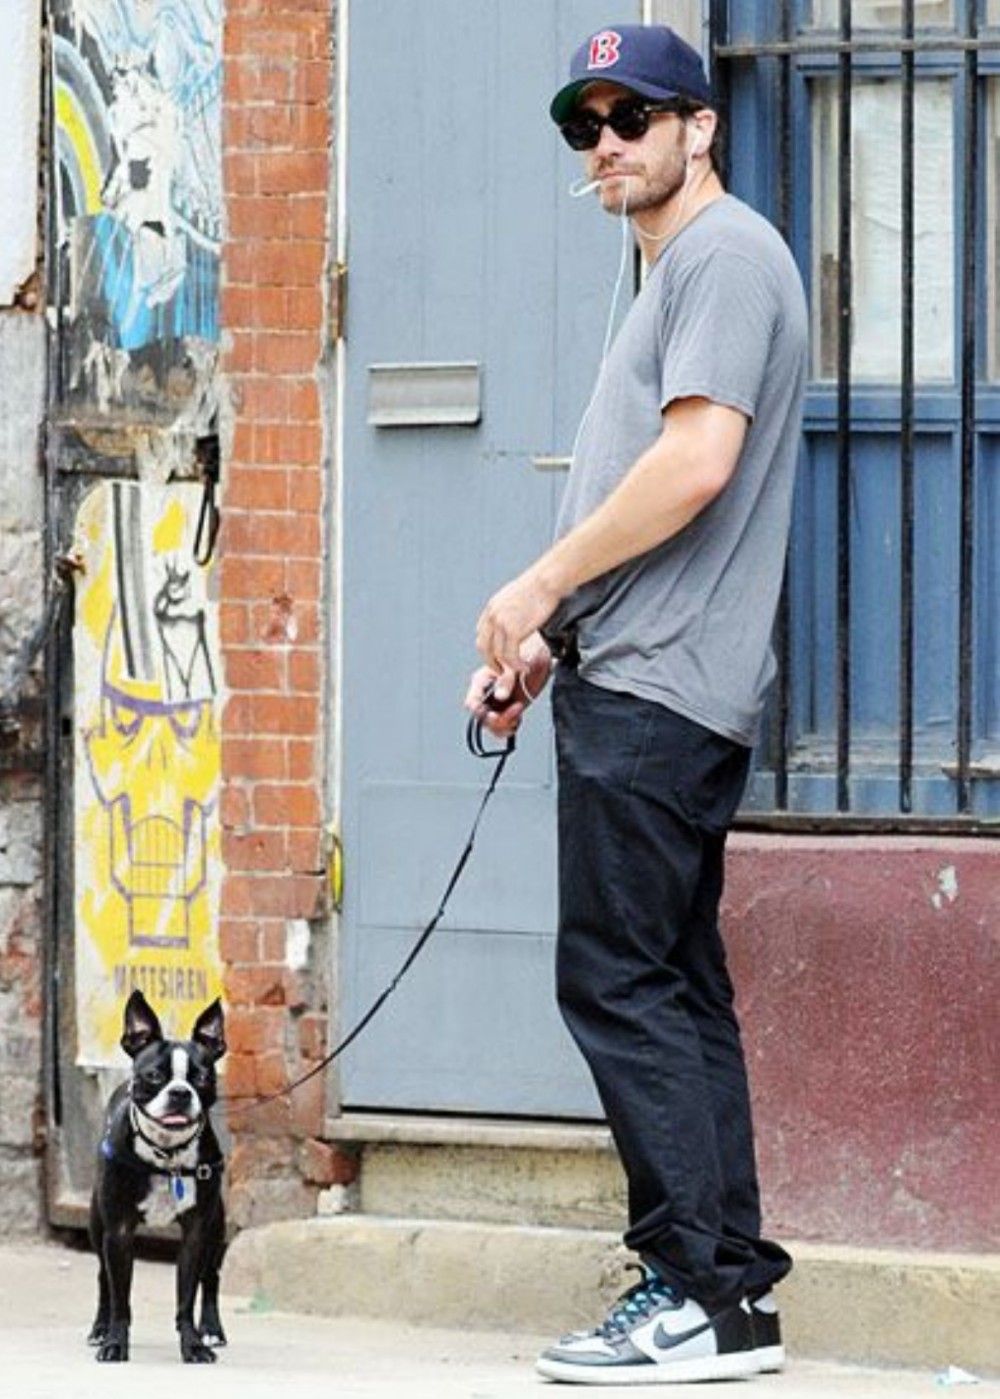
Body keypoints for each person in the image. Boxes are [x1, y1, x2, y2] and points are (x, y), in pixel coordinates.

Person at [464, 22, 808, 1388]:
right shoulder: (673, 268)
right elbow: (664, 496)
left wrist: (541, 579)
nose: (609, 142)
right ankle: (733, 1295)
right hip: (648, 675)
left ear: (699, 127)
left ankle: (691, 1292)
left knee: (615, 979)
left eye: (636, 115)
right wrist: (555, 634)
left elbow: (698, 465)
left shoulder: (720, 256)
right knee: (674, 985)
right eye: (586, 124)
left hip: (661, 697)